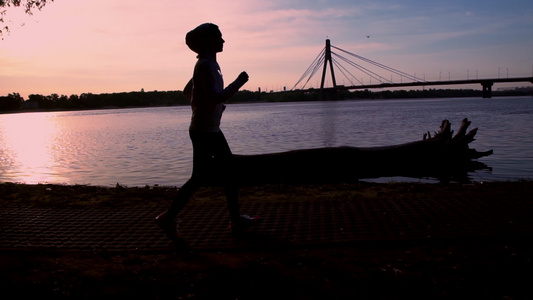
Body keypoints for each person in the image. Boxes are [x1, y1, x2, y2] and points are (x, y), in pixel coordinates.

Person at [156, 23, 258, 240]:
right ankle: (234, 221)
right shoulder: (206, 66)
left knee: (211, 176)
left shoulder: (208, 64)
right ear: (208, 42)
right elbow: (215, 96)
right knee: (217, 175)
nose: (223, 41)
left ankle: (233, 219)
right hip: (206, 131)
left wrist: (203, 106)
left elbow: (188, 92)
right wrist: (238, 83)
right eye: (219, 37)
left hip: (205, 128)